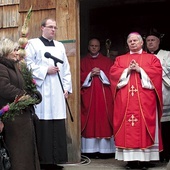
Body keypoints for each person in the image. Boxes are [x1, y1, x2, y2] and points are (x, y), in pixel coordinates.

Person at [109, 32, 163, 169]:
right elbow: (113, 74)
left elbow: (157, 73)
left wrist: (140, 70)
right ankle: (131, 160)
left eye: (135, 41)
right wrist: (127, 70)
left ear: (141, 43)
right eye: (130, 41)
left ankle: (145, 160)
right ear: (127, 44)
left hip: (145, 102)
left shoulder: (151, 58)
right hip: (125, 101)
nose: (132, 43)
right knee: (127, 128)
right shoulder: (120, 59)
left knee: (144, 128)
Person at [25, 18, 72, 170]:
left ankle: (56, 160)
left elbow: (66, 69)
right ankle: (44, 161)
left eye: (55, 27)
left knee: (57, 124)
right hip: (42, 90)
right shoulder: (33, 44)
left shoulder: (59, 46)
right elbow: (27, 64)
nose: (53, 30)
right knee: (43, 124)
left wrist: (66, 88)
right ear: (42, 28)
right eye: (50, 27)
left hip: (57, 91)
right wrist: (46, 70)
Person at [0, 38, 41, 170]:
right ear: (6, 51)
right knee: (17, 154)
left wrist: (34, 94)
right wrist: (24, 95)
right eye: (15, 50)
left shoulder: (16, 67)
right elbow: (4, 87)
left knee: (26, 152)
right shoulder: (2, 67)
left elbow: (24, 85)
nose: (18, 53)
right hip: (13, 119)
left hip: (23, 116)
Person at [81, 38, 115, 159]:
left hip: (104, 98)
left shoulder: (107, 61)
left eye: (96, 46)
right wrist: (90, 74)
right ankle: (90, 150)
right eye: (92, 45)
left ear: (99, 47)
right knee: (90, 122)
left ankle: (105, 150)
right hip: (89, 97)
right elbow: (78, 76)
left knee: (104, 121)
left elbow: (113, 75)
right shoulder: (82, 62)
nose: (94, 47)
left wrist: (101, 73)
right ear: (88, 47)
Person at [145, 28, 170, 162]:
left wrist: (156, 70)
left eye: (153, 40)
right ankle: (152, 155)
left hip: (165, 94)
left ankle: (166, 153)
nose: (150, 43)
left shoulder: (167, 55)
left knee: (165, 126)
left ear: (159, 42)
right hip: (149, 96)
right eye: (148, 40)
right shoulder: (143, 56)